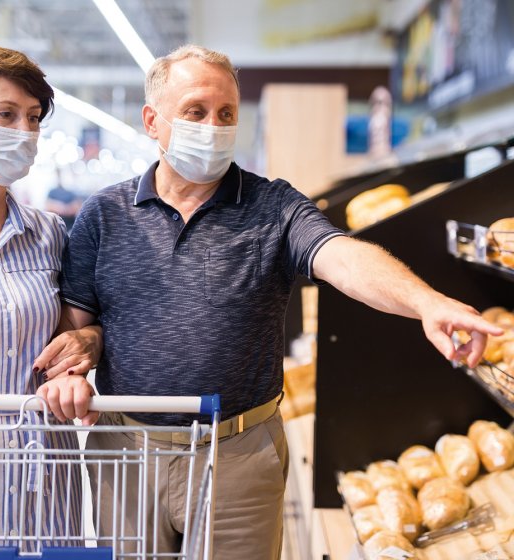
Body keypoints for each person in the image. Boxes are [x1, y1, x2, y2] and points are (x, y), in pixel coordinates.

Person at [35, 45, 503, 559]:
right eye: (195, 111)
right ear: (153, 119)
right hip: (125, 452)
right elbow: (75, 325)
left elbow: (342, 257)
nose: (213, 126)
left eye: (226, 114)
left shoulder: (273, 205)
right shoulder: (105, 215)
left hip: (236, 456)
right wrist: (72, 366)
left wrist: (426, 302)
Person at [0, 45, 98, 549]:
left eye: (34, 118)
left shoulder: (51, 235)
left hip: (46, 496)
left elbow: (74, 332)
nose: (24, 133)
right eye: (5, 115)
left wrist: (86, 346)